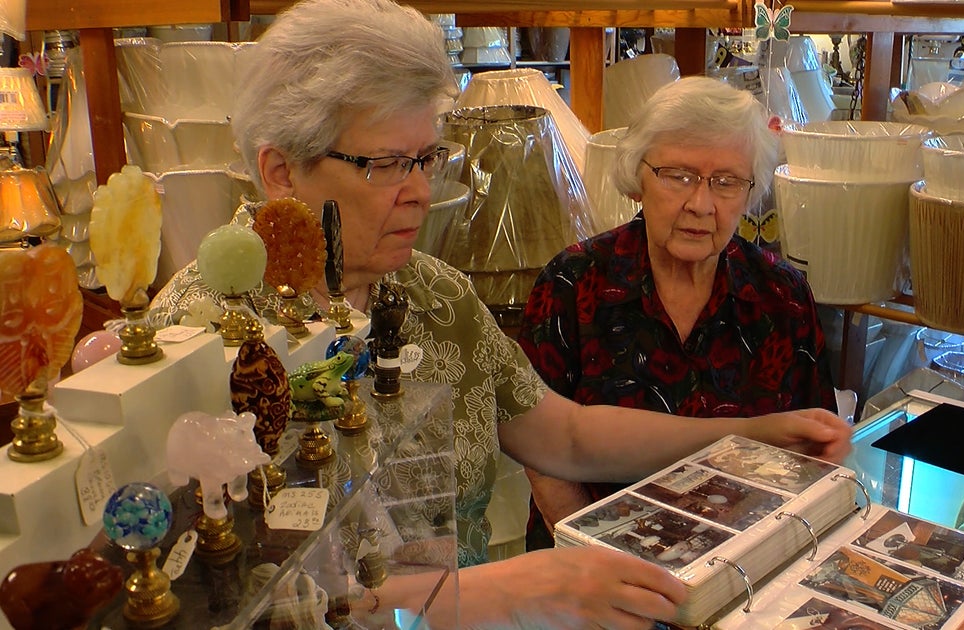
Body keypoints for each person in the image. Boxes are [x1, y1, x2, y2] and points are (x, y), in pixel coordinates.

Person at [151, 2, 851, 627]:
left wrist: (754, 432)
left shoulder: (434, 293)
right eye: (388, 165)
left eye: (428, 158)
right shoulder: (195, 335)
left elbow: (565, 435)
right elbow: (239, 596)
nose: (422, 193)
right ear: (280, 171)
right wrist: (513, 587)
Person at [517, 76, 841, 551]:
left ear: (750, 192)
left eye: (726, 182)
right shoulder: (571, 282)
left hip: (738, 560)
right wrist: (594, 564)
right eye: (678, 176)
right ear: (638, 179)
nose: (701, 204)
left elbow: (809, 448)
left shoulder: (782, 294)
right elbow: (539, 451)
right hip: (592, 565)